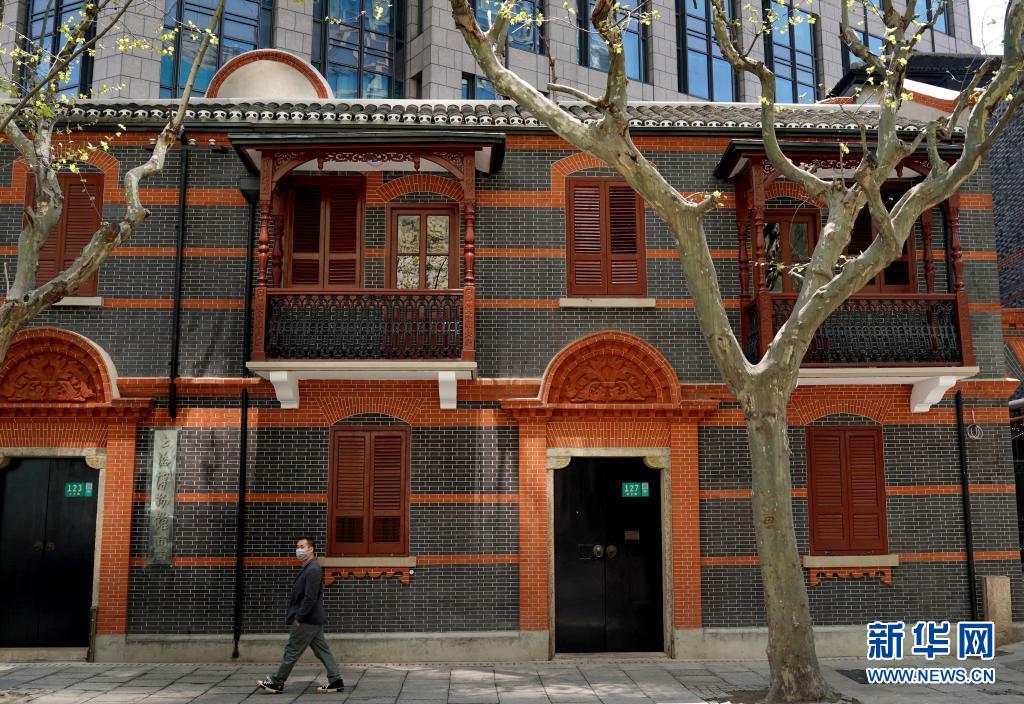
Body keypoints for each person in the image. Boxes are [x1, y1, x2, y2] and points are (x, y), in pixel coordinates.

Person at [258, 537, 345, 694]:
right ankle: (336, 681)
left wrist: (299, 617)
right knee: (322, 651)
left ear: (311, 549)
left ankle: (277, 682)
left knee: (292, 650)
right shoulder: (309, 568)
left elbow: (310, 598)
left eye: (302, 546)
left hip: (307, 619)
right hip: (313, 619)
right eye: (297, 547)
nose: (299, 550)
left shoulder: (313, 569)